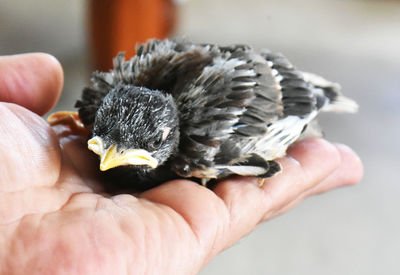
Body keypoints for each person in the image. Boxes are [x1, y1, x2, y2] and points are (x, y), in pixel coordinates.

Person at [0, 53, 363, 274]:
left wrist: (317, 98)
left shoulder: (204, 142)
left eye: (149, 144)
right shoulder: (99, 104)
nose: (110, 159)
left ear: (170, 139)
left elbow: (281, 105)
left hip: (273, 86)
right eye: (105, 140)